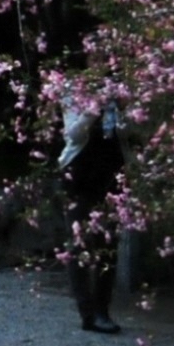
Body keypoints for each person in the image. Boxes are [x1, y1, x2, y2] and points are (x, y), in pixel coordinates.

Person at [60, 100, 127, 333]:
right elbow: (73, 135)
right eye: (95, 59)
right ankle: (87, 312)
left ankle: (102, 310)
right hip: (79, 173)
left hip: (110, 172)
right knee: (78, 242)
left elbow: (127, 131)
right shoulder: (72, 89)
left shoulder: (117, 92)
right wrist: (93, 109)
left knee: (107, 243)